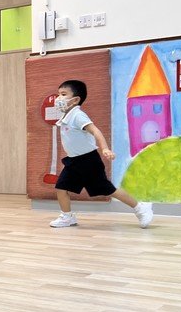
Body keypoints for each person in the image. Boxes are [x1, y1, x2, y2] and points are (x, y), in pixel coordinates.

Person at [51, 79, 154, 228]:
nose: (58, 98)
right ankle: (67, 217)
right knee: (61, 188)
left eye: (63, 94)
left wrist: (105, 148)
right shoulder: (67, 116)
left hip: (88, 161)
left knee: (106, 189)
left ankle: (140, 207)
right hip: (73, 161)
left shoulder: (78, 115)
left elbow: (95, 131)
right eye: (58, 94)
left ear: (76, 100)